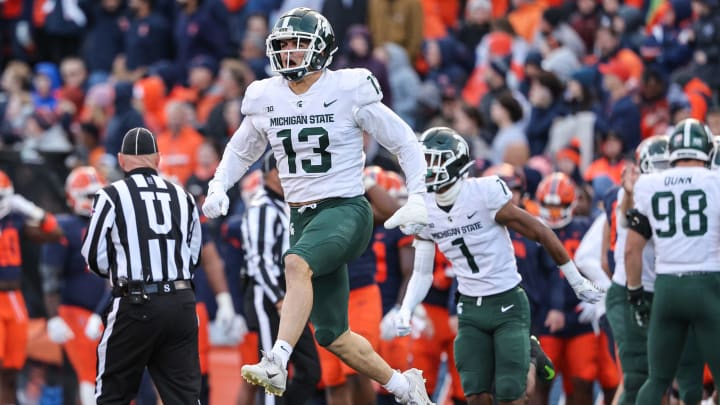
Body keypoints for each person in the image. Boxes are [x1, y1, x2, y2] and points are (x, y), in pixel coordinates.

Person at [201, 7, 432, 404]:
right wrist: (219, 185)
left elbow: (404, 140)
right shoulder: (266, 95)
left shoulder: (348, 87)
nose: (289, 52)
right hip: (301, 216)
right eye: (284, 44)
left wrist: (419, 196)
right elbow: (242, 149)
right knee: (331, 335)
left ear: (321, 49)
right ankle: (402, 385)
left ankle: (276, 360)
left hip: (346, 208)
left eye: (298, 44)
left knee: (295, 263)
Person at [396, 127, 604, 405]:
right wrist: (407, 308)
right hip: (469, 306)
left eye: (433, 160)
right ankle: (525, 352)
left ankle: (529, 353)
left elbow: (541, 232)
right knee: (476, 396)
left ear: (454, 161)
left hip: (507, 300)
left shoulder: (484, 192)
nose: (426, 168)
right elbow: (422, 272)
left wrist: (577, 281)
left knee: (511, 393)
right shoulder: (423, 207)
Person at [81, 127, 203, 404]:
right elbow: (193, 256)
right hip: (182, 302)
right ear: (158, 159)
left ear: (122, 160)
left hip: (136, 302)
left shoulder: (110, 195)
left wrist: (120, 272)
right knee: (184, 397)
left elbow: (93, 256)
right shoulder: (183, 196)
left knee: (112, 394)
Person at [625, 118, 720, 404]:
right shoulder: (715, 181)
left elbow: (631, 249)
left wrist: (635, 294)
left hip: (667, 288)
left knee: (657, 381)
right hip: (708, 285)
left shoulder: (648, 184)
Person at [242, 151, 320, 405]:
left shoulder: (286, 206)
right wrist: (278, 297)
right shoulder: (262, 207)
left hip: (289, 296)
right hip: (269, 296)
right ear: (274, 174)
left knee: (310, 370)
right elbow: (258, 262)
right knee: (272, 374)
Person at [40, 166, 110, 405]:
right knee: (88, 374)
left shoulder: (110, 225)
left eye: (97, 195)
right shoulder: (66, 227)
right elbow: (50, 275)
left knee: (111, 375)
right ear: (73, 196)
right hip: (76, 311)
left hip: (107, 310)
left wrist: (101, 313)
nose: (94, 201)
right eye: (89, 195)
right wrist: (53, 317)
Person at [0, 170, 62, 404]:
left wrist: (33, 211)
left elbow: (55, 233)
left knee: (11, 371)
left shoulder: (14, 219)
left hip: (14, 298)